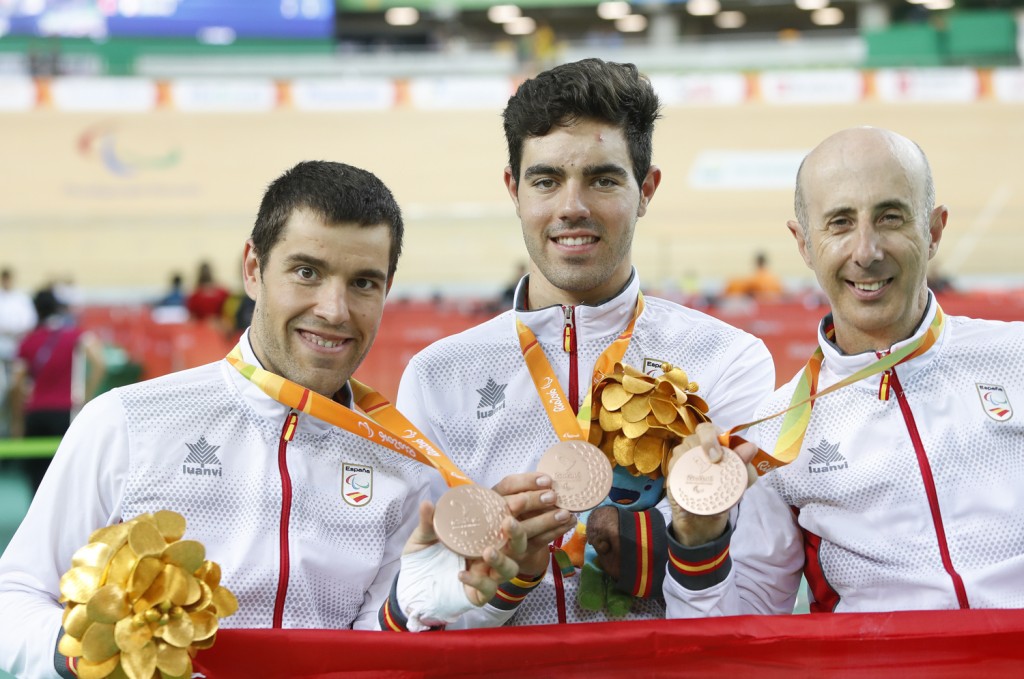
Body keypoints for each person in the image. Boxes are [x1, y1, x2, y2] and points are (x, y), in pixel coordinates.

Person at [0, 161, 534, 678]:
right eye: (307, 272)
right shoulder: (127, 423)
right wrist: (93, 658)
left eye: (363, 283)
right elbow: (15, 599)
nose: (334, 309)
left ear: (387, 291)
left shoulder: (406, 466)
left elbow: (373, 651)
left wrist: (410, 605)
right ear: (253, 269)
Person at [397, 58, 775, 626]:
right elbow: (421, 616)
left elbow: (755, 613)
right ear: (514, 189)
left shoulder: (729, 362)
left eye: (603, 179)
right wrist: (504, 579)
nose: (572, 206)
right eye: (546, 180)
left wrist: (698, 542)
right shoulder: (436, 377)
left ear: (646, 190)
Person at [663, 126, 1024, 616]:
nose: (866, 251)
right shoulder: (774, 430)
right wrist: (698, 542)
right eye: (839, 223)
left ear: (934, 230)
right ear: (804, 243)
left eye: (890, 217)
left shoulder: (1016, 356)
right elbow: (741, 627)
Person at [8, 287, 107, 491]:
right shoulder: (76, 335)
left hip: (34, 414)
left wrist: (17, 420)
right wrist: (86, 397)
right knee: (67, 475)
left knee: (37, 477)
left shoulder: (27, 341)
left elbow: (17, 383)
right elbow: (100, 363)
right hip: (65, 413)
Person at [0, 266, 37, 438]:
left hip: (17, 352)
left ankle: (15, 433)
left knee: (17, 394)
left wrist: (13, 330)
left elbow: (29, 321)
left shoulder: (20, 299)